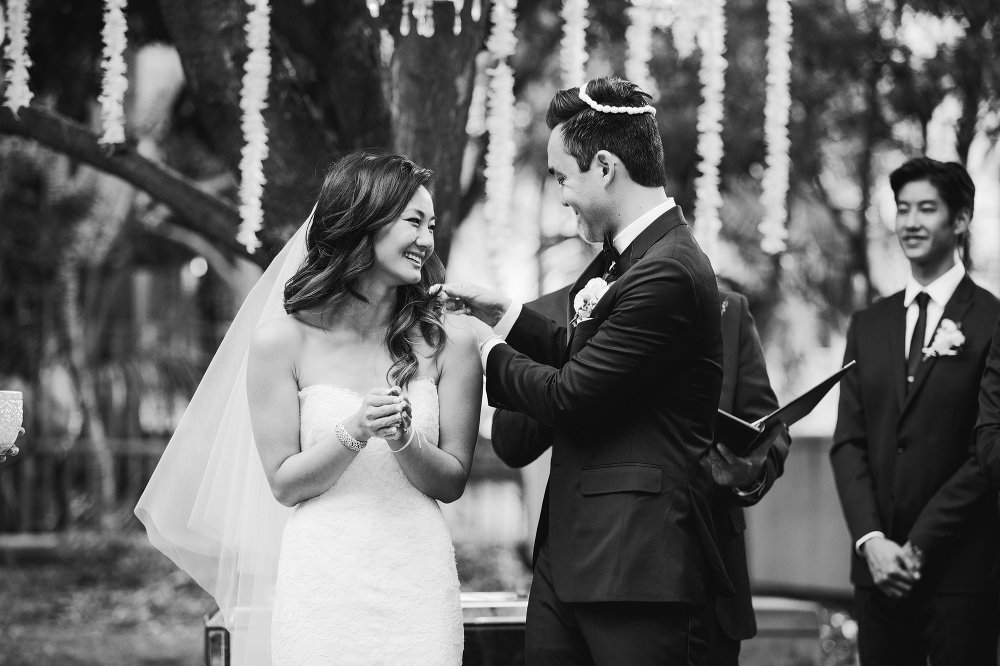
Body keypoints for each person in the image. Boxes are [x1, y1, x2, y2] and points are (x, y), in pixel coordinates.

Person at [136, 152, 482, 666]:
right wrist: (356, 429)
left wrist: (404, 440)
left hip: (418, 579)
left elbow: (451, 481)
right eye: (414, 221)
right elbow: (284, 483)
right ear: (363, 222)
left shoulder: (448, 342)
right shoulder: (281, 342)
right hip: (323, 579)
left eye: (431, 224)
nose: (427, 240)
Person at [434, 76, 732, 666]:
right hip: (569, 561)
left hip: (638, 567)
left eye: (561, 176)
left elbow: (572, 395)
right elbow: (585, 354)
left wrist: (482, 346)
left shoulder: (669, 270)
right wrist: (505, 312)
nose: (560, 195)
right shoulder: (628, 261)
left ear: (604, 166)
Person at [491, 286, 790, 666]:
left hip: (704, 575)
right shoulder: (547, 312)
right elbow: (509, 441)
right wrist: (573, 369)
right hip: (574, 580)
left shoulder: (723, 308)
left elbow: (771, 428)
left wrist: (750, 470)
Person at [830, 157, 1000, 665]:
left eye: (927, 208)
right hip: (877, 572)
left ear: (961, 219)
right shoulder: (868, 324)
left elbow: (986, 448)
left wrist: (920, 543)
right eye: (903, 209)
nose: (911, 222)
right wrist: (872, 540)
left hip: (962, 572)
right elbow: (848, 442)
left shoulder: (992, 320)